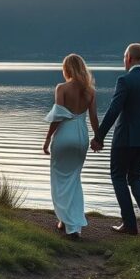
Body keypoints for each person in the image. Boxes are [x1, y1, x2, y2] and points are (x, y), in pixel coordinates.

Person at [90, 43, 140, 235]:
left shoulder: (125, 80)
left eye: (124, 57)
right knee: (135, 176)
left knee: (118, 176)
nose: (124, 61)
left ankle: (130, 224)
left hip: (126, 139)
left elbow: (114, 110)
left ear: (129, 58)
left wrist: (99, 136)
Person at [43, 54, 99, 240]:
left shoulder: (62, 88)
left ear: (66, 69)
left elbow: (58, 117)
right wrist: (98, 139)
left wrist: (47, 139)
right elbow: (93, 118)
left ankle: (66, 220)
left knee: (59, 179)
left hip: (65, 135)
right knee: (74, 179)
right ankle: (72, 224)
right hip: (81, 136)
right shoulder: (90, 91)